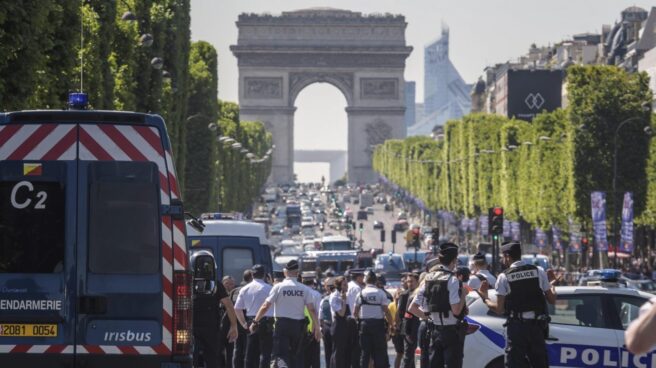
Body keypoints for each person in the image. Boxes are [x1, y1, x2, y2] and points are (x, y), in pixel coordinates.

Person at [478, 242, 557, 368]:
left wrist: (485, 297)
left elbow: (499, 309)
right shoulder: (538, 271)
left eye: (503, 257)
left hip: (517, 329)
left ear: (508, 256)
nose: (502, 260)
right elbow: (552, 300)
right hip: (537, 328)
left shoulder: (504, 276)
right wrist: (552, 284)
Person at [250, 260, 321, 368]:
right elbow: (312, 310)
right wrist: (317, 328)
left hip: (282, 325)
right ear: (297, 272)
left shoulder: (278, 287)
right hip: (298, 326)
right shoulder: (304, 289)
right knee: (297, 355)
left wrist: (255, 321)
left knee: (281, 355)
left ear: (285, 272)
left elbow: (265, 306)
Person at [408, 243, 468, 368]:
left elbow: (412, 308)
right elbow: (456, 311)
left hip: (434, 331)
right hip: (451, 332)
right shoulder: (452, 280)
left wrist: (428, 318)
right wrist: (463, 294)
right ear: (454, 260)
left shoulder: (428, 279)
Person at [192, 255, 239, 368]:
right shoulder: (217, 285)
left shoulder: (188, 282)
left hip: (192, 327)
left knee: (192, 357)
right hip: (211, 328)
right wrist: (234, 326)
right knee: (212, 358)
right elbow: (229, 305)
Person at [234, 265, 273, 368]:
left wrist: (243, 324)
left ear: (252, 274)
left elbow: (237, 308)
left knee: (250, 353)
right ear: (264, 274)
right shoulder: (270, 289)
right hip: (267, 321)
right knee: (265, 353)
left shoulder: (244, 289)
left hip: (251, 321)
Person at [354, 271, 393, 368]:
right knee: (379, 352)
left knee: (365, 352)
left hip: (364, 325)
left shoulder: (360, 294)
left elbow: (355, 312)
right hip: (378, 326)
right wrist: (391, 324)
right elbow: (386, 311)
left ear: (365, 281)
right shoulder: (380, 293)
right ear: (375, 281)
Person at [229, 270, 253, 368]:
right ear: (252, 278)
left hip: (236, 322)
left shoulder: (234, 291)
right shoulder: (251, 289)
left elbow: (230, 308)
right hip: (248, 322)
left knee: (238, 348)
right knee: (249, 349)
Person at [301, 271, 322, 368]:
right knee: (315, 358)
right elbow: (316, 312)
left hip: (300, 328)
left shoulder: (300, 292)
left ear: (302, 280)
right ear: (313, 281)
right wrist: (316, 328)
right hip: (313, 328)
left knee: (303, 357)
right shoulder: (316, 294)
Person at [346, 269, 366, 368]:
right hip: (355, 320)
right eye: (362, 276)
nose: (364, 278)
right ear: (358, 277)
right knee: (356, 348)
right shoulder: (357, 288)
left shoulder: (349, 285)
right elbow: (357, 306)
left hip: (348, 319)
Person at [330, 276, 350, 368]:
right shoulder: (335, 296)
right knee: (338, 352)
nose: (347, 286)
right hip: (338, 326)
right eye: (344, 284)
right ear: (339, 286)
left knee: (345, 352)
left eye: (347, 284)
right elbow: (341, 313)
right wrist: (344, 300)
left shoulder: (343, 295)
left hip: (345, 326)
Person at [400, 272, 420, 368]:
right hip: (409, 330)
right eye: (408, 282)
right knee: (408, 357)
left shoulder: (420, 293)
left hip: (419, 328)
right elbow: (402, 314)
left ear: (417, 281)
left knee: (418, 357)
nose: (409, 284)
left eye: (412, 281)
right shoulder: (405, 295)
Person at [320, 277, 336, 368]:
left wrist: (321, 328)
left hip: (326, 326)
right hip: (335, 326)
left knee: (328, 351)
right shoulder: (340, 298)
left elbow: (320, 317)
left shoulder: (324, 300)